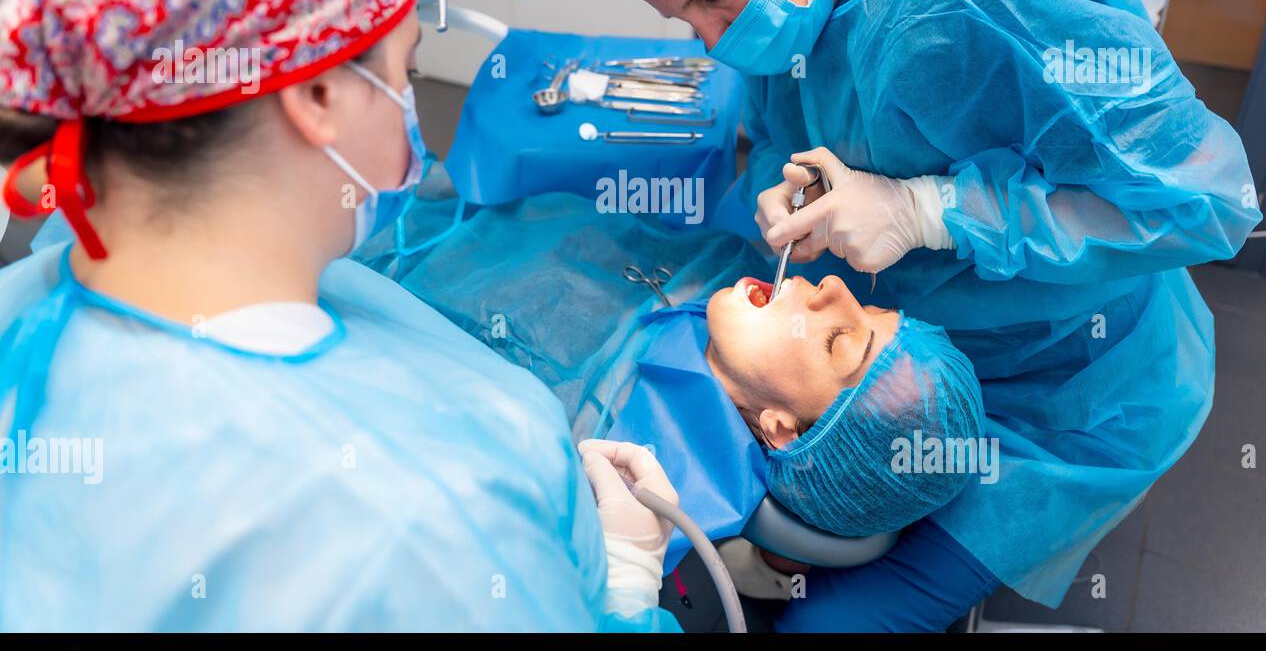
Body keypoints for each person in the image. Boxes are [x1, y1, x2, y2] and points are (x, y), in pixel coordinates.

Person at [595, 0, 1262, 629]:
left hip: (1068, 387)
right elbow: (785, 124)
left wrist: (934, 210)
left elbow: (1208, 201)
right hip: (914, 352)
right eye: (684, 16)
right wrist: (784, 178)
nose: (713, 39)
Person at [0, 0, 679, 632]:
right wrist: (630, 592)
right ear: (318, 96)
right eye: (407, 71)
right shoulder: (419, 537)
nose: (411, 109)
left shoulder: (32, 308)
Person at [359, 179, 987, 588]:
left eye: (837, 341)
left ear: (779, 428)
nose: (833, 289)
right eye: (873, 311)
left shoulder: (627, 478)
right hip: (438, 207)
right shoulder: (732, 285)